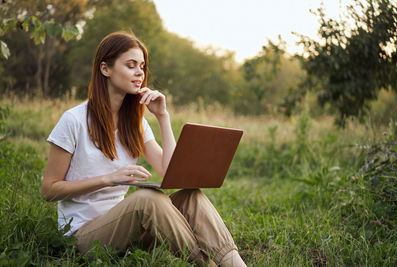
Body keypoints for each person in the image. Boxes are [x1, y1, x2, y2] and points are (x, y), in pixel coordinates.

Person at [41, 31, 246, 267]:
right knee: (147, 199)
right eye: (130, 65)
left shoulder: (136, 124)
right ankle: (205, 264)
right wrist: (108, 179)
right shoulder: (74, 120)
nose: (140, 72)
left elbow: (170, 173)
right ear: (105, 69)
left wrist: (162, 117)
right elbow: (49, 189)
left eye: (142, 66)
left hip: (126, 230)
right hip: (83, 238)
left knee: (191, 196)